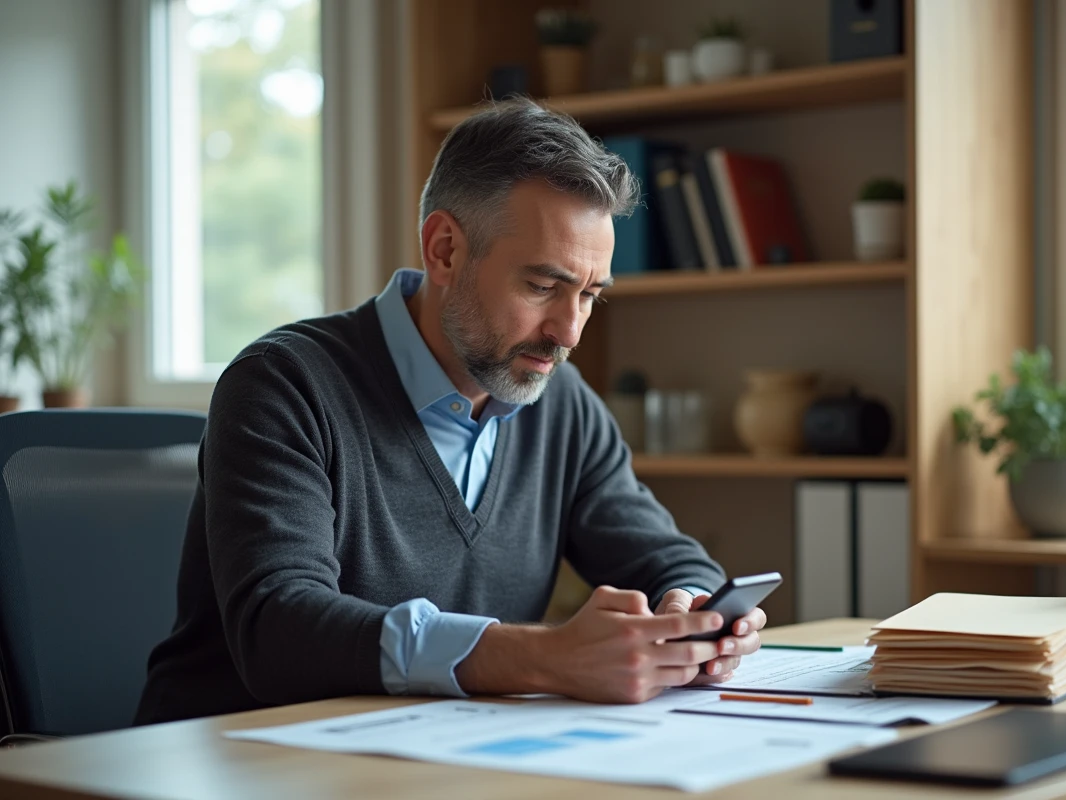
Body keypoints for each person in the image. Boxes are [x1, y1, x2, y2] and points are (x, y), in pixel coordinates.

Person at [135, 98, 766, 725]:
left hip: (426, 757)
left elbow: (665, 558)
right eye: (543, 287)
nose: (570, 332)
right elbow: (278, 628)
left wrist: (697, 608)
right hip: (231, 759)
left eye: (589, 295)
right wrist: (543, 656)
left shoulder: (563, 403)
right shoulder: (284, 384)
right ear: (443, 249)